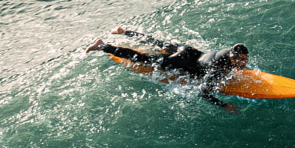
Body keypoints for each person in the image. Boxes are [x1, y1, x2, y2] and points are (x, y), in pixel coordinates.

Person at [87, 27, 249, 113]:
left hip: (190, 51)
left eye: (245, 59)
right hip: (181, 61)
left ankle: (124, 32)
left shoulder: (232, 51)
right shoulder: (218, 68)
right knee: (143, 58)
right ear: (233, 58)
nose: (244, 62)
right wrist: (223, 105)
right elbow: (203, 92)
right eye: (241, 60)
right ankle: (103, 46)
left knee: (158, 43)